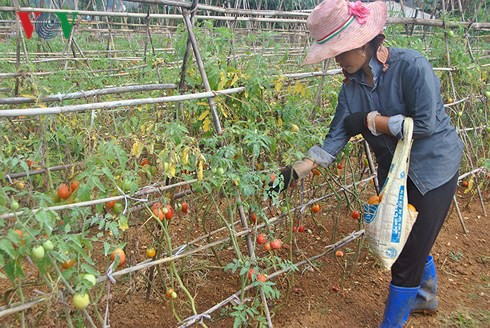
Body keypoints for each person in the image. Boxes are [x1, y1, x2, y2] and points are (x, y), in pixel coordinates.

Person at [279, 0, 463, 327]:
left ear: (362, 44)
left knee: (405, 257)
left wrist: (370, 121)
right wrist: (295, 170)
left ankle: (392, 322)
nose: (336, 59)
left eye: (339, 51)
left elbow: (424, 126)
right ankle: (426, 296)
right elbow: (335, 136)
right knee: (403, 237)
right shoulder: (350, 88)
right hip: (392, 170)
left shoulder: (411, 67)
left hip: (434, 167)